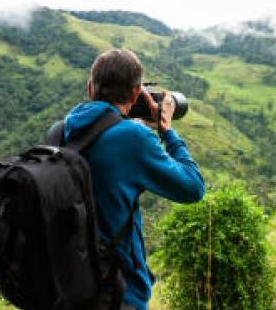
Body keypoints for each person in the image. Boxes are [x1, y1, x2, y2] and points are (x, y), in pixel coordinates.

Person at [63, 49, 205, 310]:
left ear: (89, 87)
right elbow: (193, 188)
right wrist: (166, 131)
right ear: (136, 93)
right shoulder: (133, 139)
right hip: (118, 292)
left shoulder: (61, 131)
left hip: (68, 287)